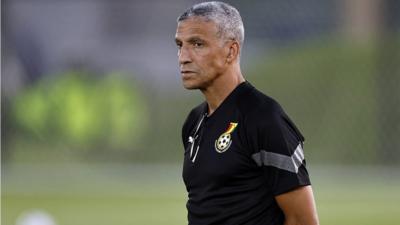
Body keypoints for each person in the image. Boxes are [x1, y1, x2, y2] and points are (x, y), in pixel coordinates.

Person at [174, 2, 319, 225]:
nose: (183, 57)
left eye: (197, 44)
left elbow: (303, 220)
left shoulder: (264, 118)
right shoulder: (194, 122)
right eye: (180, 45)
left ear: (231, 51)